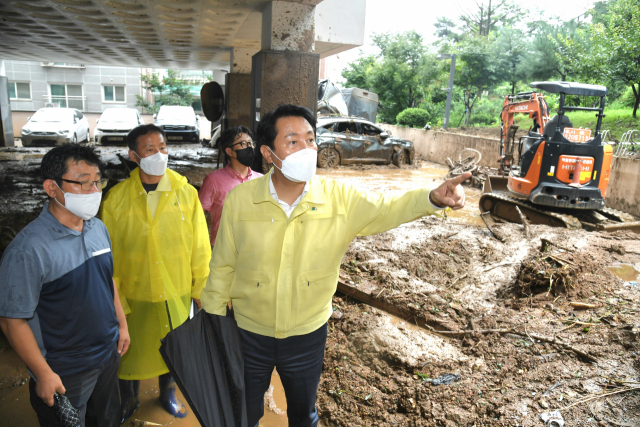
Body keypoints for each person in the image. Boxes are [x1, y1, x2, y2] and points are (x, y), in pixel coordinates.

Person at [200, 104, 471, 427]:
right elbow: (223, 266)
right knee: (241, 412)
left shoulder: (339, 197)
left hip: (307, 335)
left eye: (311, 140)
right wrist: (214, 328)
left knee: (304, 414)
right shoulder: (242, 200)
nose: (307, 149)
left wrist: (431, 198)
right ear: (268, 153)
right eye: (293, 141)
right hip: (247, 333)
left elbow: (388, 208)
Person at [0, 145, 129, 427]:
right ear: (52, 188)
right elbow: (12, 321)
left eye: (97, 182)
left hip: (107, 355)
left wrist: (121, 324)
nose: (94, 190)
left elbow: (107, 280)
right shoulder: (29, 249)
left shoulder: (98, 228)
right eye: (83, 182)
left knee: (107, 420)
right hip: (64, 369)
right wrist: (43, 373)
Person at [100, 124, 211, 421]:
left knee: (173, 349)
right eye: (150, 150)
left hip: (175, 291)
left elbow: (200, 247)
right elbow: (108, 254)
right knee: (130, 351)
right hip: (134, 293)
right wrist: (116, 299)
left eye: (162, 148)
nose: (159, 155)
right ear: (133, 155)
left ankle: (168, 395)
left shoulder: (185, 194)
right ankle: (129, 400)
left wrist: (201, 290)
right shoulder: (116, 199)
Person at [199, 126, 263, 247]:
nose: (249, 147)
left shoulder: (261, 180)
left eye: (251, 143)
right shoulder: (213, 181)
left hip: (254, 249)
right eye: (243, 144)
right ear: (229, 151)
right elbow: (198, 217)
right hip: (222, 248)